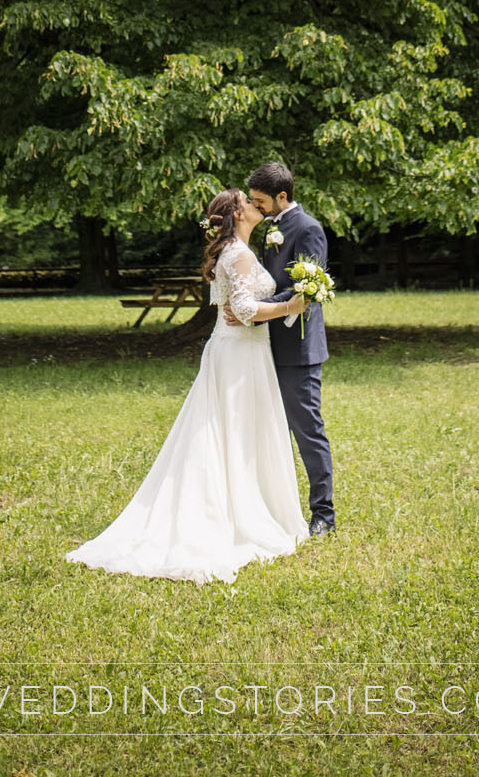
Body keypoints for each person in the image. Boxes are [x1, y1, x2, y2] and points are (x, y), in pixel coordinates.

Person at [63, 188, 311, 585]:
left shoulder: (234, 251)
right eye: (248, 202)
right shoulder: (240, 254)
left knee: (232, 434)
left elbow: (234, 304)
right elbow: (245, 311)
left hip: (238, 352)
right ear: (235, 215)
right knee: (235, 434)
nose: (255, 204)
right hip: (239, 356)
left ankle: (240, 503)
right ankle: (231, 515)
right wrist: (290, 307)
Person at [231, 163, 336, 537]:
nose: (256, 208)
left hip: (298, 348)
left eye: (261, 201)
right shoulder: (273, 227)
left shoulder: (308, 229)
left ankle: (324, 515)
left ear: (282, 196)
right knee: (267, 430)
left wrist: (254, 313)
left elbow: (307, 290)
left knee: (307, 431)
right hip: (264, 347)